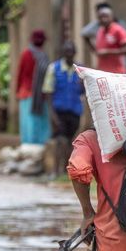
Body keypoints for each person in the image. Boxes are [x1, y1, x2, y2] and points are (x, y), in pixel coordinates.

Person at [45, 41, 86, 175]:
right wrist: (52, 115)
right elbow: (48, 92)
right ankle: (56, 171)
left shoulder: (80, 69)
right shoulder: (54, 68)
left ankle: (66, 170)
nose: (69, 54)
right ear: (63, 53)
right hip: (59, 111)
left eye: (71, 51)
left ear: (75, 53)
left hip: (74, 111)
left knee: (70, 141)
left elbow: (85, 91)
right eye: (66, 51)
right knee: (60, 141)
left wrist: (83, 85)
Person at [16, 30, 51, 146]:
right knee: (38, 120)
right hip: (39, 94)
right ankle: (38, 144)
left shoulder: (27, 53)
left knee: (28, 121)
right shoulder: (44, 56)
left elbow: (20, 74)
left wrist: (17, 91)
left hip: (27, 93)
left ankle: (28, 144)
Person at [81, 2, 126, 72]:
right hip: (103, 72)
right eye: (100, 17)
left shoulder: (118, 29)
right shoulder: (100, 30)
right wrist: (95, 51)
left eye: (106, 16)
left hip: (117, 72)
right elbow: (84, 34)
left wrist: (108, 52)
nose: (103, 19)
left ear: (111, 16)